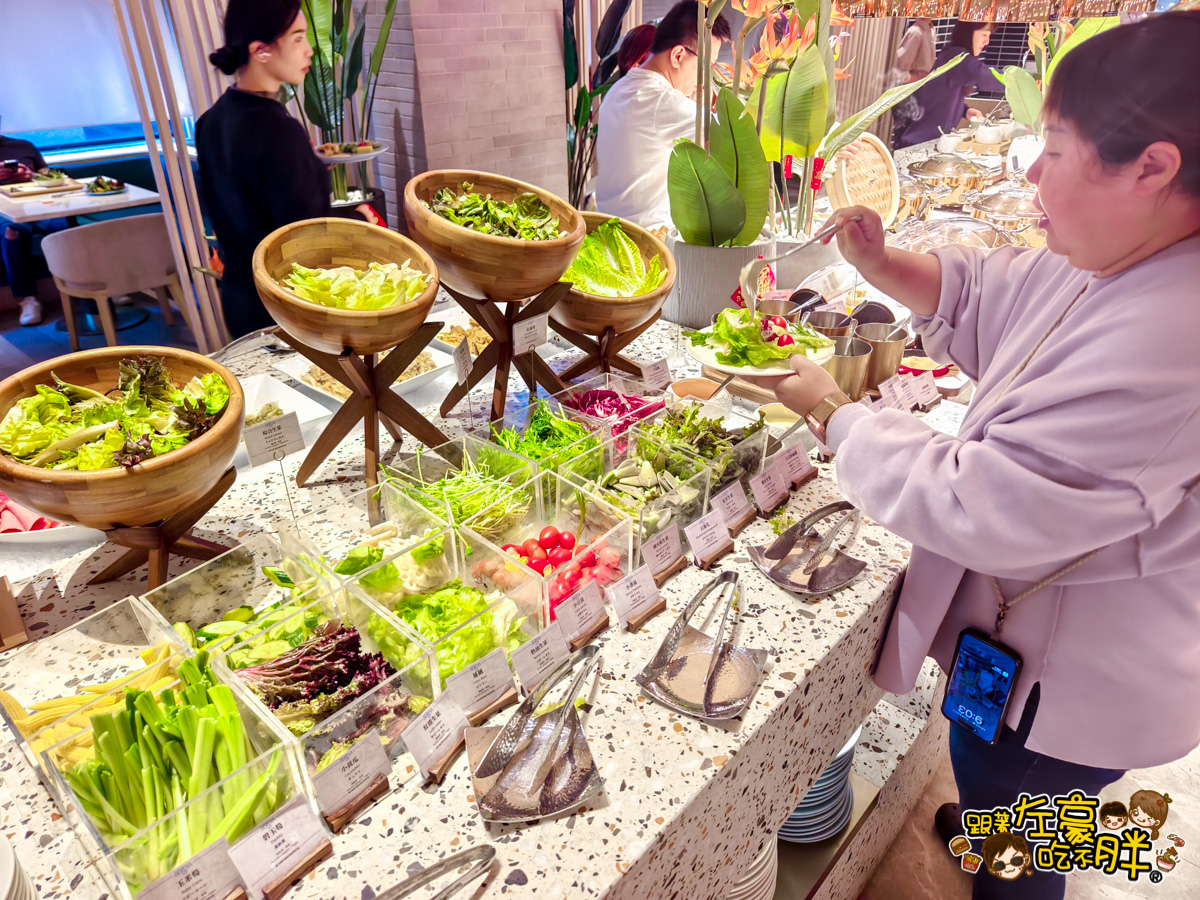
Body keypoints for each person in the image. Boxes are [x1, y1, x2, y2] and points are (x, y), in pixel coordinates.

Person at [763, 12, 1200, 900]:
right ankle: (1009, 826)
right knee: (1012, 791)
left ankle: (1017, 855)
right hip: (1048, 645)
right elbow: (1005, 293)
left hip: (1077, 678)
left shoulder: (1173, 335)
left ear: (1154, 167)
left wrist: (837, 414)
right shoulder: (1131, 252)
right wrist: (889, 266)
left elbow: (985, 505)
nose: (1032, 173)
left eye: (1057, 148)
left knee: (1029, 809)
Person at [195, 0, 331, 340]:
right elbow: (303, 238)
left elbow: (246, 211)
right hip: (284, 303)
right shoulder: (278, 130)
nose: (310, 50)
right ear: (261, 51)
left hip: (239, 295)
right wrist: (360, 220)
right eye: (298, 38)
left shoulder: (210, 121)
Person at [594, 1, 732, 230]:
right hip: (649, 245)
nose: (706, 76)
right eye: (708, 64)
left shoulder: (618, 89)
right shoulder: (662, 102)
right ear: (678, 55)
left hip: (611, 235)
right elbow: (733, 144)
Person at [894, 20, 1001, 149]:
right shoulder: (957, 58)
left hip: (926, 143)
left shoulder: (952, 54)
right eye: (984, 35)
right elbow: (986, 77)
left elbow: (939, 97)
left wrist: (964, 111)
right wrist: (1021, 80)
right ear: (968, 34)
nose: (987, 41)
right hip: (917, 145)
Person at [0, 133, 68, 326]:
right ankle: (28, 300)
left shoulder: (23, 145)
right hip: (4, 211)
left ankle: (94, 285)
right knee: (12, 233)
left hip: (39, 204)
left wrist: (31, 175)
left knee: (65, 228)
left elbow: (48, 175)